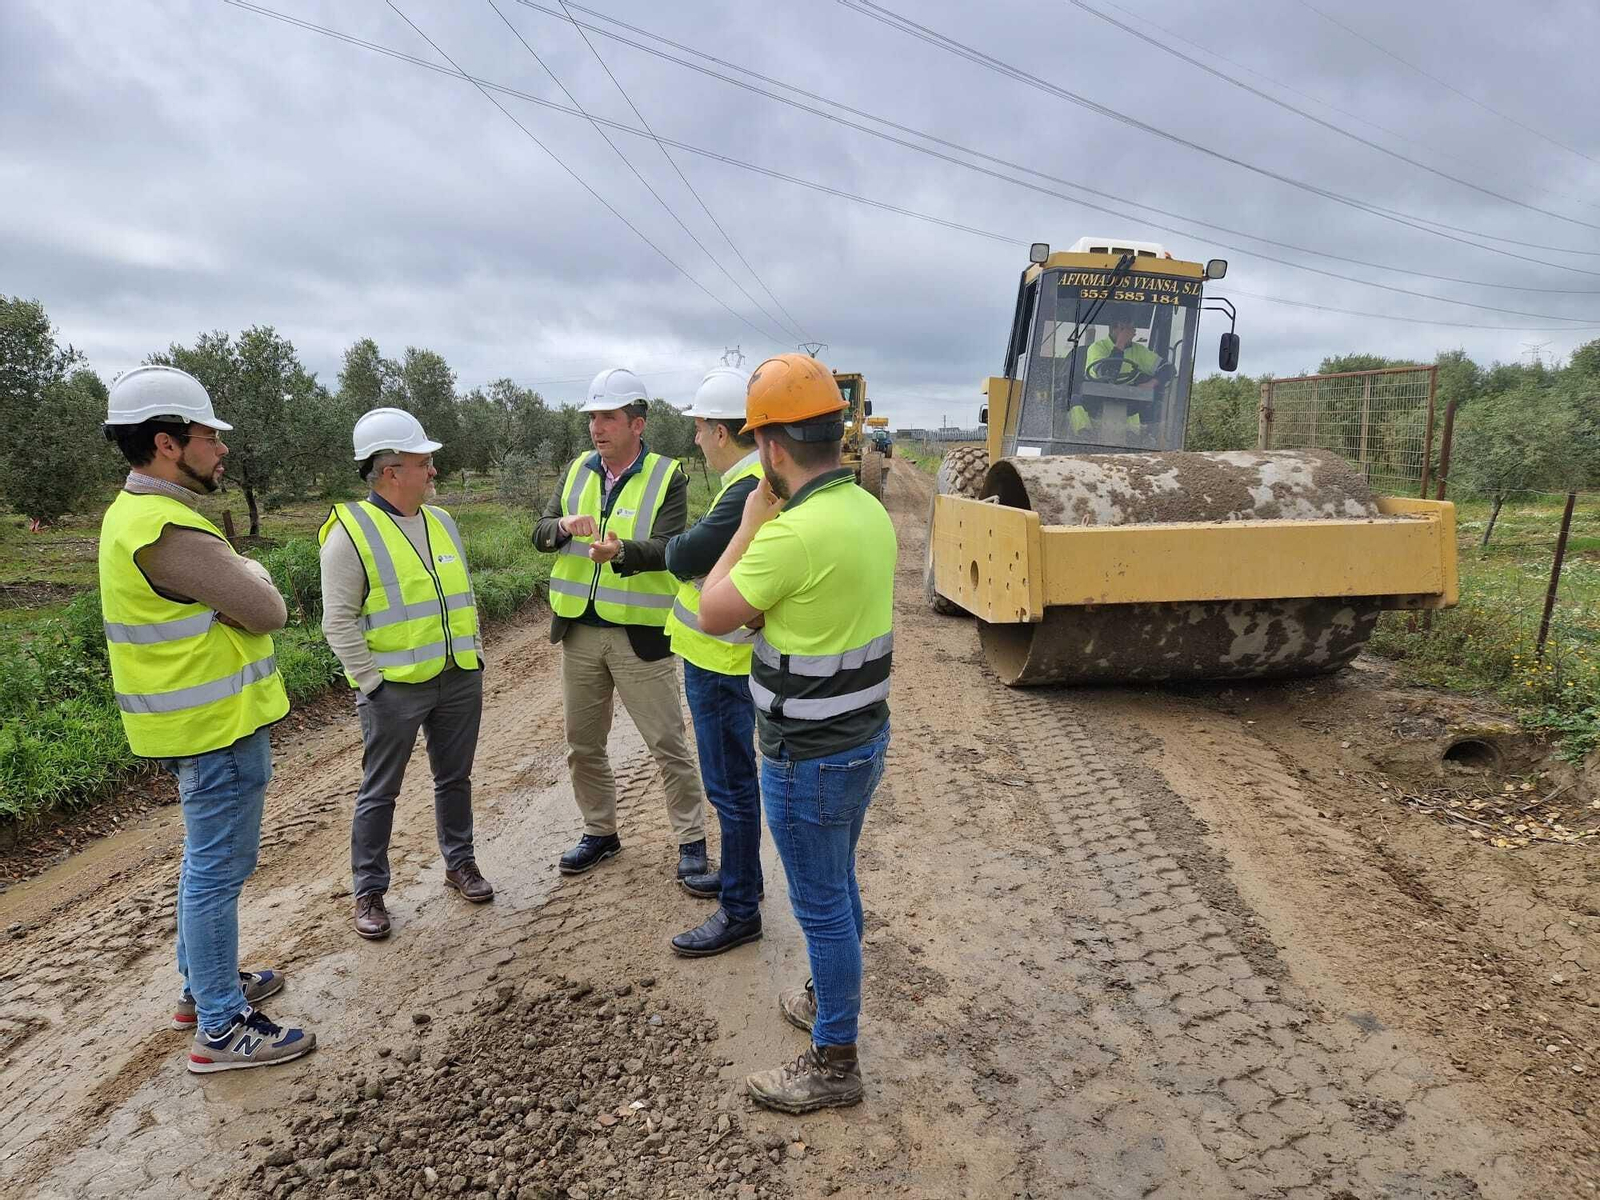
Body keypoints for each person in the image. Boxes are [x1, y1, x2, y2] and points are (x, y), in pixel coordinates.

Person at [98, 365, 315, 1073]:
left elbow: (240, 597)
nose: (221, 450)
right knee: (219, 872)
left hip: (198, 724)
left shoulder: (137, 514)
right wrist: (251, 579)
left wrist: (240, 580)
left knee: (205, 865)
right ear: (167, 443)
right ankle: (222, 1027)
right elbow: (269, 612)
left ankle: (202, 989)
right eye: (208, 437)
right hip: (215, 728)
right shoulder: (167, 527)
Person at [697, 353, 896, 1114]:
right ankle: (827, 999)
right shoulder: (868, 512)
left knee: (820, 902)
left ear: (773, 449)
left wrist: (747, 526)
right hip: (860, 740)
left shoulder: (789, 535)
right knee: (837, 887)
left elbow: (714, 608)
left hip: (805, 756)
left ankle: (835, 1061)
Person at [319, 408, 491, 941]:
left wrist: (476, 653)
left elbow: (459, 597)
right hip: (393, 691)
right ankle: (369, 891)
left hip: (458, 676)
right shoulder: (349, 532)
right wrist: (371, 683)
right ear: (391, 470)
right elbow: (338, 620)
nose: (433, 470)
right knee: (380, 791)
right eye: (424, 461)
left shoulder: (442, 522)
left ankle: (459, 862)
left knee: (454, 778)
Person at [533, 368, 709, 880]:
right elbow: (540, 530)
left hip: (641, 637)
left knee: (667, 744)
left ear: (637, 423)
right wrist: (562, 526)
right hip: (579, 632)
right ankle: (600, 832)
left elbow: (670, 547)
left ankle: (691, 840)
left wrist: (623, 552)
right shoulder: (576, 470)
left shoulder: (666, 474)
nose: (596, 427)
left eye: (608, 417)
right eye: (592, 417)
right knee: (583, 743)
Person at [662, 366, 766, 958]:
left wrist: (681, 551)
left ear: (718, 431)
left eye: (698, 428)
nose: (696, 440)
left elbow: (687, 553)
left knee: (730, 787)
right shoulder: (750, 480)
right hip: (720, 660)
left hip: (722, 665)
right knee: (734, 784)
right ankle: (740, 883)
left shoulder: (745, 486)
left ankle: (741, 909)